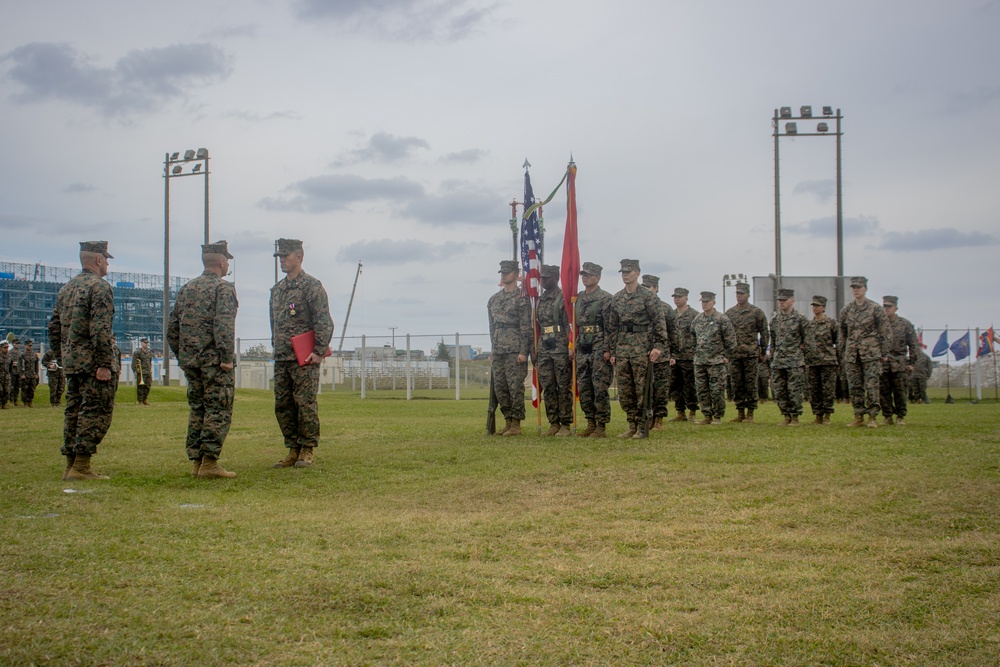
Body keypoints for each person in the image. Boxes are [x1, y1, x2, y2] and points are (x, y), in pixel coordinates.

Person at [168, 241, 240, 478]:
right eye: (227, 260)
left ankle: (197, 462)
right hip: (214, 363)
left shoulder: (187, 288)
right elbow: (223, 326)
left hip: (192, 363)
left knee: (197, 409)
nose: (227, 264)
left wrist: (184, 356)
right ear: (221, 262)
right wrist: (226, 357)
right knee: (217, 409)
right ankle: (209, 463)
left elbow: (172, 329)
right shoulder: (223, 289)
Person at [47, 241, 117, 480]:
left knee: (73, 411)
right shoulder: (99, 287)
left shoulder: (66, 289)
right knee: (95, 412)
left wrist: (63, 356)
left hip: (73, 363)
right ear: (98, 260)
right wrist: (105, 363)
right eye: (106, 258)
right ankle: (82, 466)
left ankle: (70, 464)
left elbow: (54, 328)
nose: (107, 263)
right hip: (93, 364)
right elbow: (100, 330)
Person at [270, 238, 335, 467]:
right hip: (282, 357)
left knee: (304, 403)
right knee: (283, 405)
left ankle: (307, 449)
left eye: (286, 256)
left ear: (299, 257)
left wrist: (318, 352)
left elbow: (324, 321)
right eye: (280, 257)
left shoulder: (311, 286)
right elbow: (274, 323)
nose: (282, 261)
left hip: (304, 358)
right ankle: (292, 449)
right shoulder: (277, 290)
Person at [606, 259, 668, 438]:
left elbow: (659, 323)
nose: (625, 274)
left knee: (642, 388)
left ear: (637, 273)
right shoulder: (617, 298)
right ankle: (631, 424)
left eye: (628, 271)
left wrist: (658, 346)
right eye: (623, 272)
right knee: (625, 390)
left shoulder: (648, 297)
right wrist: (613, 350)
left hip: (641, 348)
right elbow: (612, 327)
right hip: (623, 348)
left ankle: (643, 425)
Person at [839, 276, 892, 428]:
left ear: (865, 289)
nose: (856, 290)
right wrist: (843, 352)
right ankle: (858, 416)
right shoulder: (847, 310)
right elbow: (842, 333)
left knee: (872, 385)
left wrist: (884, 353)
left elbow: (886, 332)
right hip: (852, 355)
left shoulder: (875, 309)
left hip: (871, 354)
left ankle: (872, 417)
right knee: (855, 386)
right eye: (854, 287)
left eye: (859, 287)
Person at [487, 259, 532, 436]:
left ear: (516, 274)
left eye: (507, 272)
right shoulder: (494, 300)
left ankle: (516, 424)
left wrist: (523, 351)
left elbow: (525, 327)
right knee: (501, 387)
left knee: (515, 387)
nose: (504, 274)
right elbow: (492, 326)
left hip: (515, 350)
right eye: (502, 272)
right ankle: (507, 421)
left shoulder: (522, 298)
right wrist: (492, 347)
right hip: (498, 350)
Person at [575, 262, 613, 438]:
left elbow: (610, 326)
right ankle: (590, 421)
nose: (585, 278)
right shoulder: (578, 298)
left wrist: (607, 349)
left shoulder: (605, 298)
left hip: (598, 344)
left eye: (589, 275)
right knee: (584, 386)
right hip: (582, 344)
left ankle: (601, 425)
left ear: (597, 277)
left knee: (599, 385)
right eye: (583, 275)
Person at [535, 265, 574, 436]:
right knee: (548, 386)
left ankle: (565, 423)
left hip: (560, 347)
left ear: (555, 277)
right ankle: (553, 422)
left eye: (546, 277)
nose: (542, 280)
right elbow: (537, 326)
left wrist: (570, 346)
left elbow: (569, 324)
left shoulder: (563, 297)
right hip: (544, 347)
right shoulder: (539, 300)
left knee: (563, 385)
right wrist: (534, 348)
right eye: (541, 277)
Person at [724, 282, 769, 423]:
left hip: (751, 354)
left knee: (751, 384)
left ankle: (750, 413)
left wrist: (762, 350)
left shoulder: (756, 312)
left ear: (748, 295)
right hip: (735, 355)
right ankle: (740, 412)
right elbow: (725, 334)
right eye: (737, 293)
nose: (739, 296)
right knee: (737, 384)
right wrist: (726, 352)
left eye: (742, 293)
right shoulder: (730, 313)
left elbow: (764, 332)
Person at [691, 291, 736, 425]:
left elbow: (731, 340)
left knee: (717, 390)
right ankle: (706, 415)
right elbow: (692, 338)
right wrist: (695, 353)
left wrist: (726, 356)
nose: (704, 304)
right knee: (702, 390)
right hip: (700, 361)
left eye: (707, 302)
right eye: (703, 302)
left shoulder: (721, 319)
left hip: (716, 361)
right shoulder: (697, 319)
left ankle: (717, 416)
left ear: (713, 302)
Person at [641, 274, 677, 430]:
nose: (646, 290)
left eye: (649, 287)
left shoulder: (666, 308)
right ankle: (647, 418)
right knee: (645, 389)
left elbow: (674, 332)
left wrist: (673, 354)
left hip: (662, 356)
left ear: (655, 288)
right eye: (644, 287)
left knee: (660, 389)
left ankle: (659, 419)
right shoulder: (640, 306)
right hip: (643, 354)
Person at [769, 288, 808, 426]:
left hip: (795, 360)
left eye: (784, 300)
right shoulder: (775, 320)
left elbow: (807, 341)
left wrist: (806, 360)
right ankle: (786, 415)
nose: (781, 303)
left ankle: (795, 417)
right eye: (779, 300)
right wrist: (772, 357)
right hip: (778, 361)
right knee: (779, 390)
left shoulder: (800, 319)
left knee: (794, 390)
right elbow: (773, 341)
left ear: (792, 301)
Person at [879, 295, 920, 426]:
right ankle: (887, 416)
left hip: (899, 362)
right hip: (883, 362)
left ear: (896, 308)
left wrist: (912, 363)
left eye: (889, 306)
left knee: (900, 391)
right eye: (884, 306)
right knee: (883, 392)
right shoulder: (879, 324)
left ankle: (900, 416)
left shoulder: (905, 324)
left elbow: (913, 344)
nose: (887, 309)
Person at [804, 295, 839, 424]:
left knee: (828, 389)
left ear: (824, 307)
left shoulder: (832, 323)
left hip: (828, 361)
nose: (815, 308)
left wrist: (838, 360)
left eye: (818, 305)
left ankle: (827, 415)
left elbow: (838, 342)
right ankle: (818, 415)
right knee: (814, 390)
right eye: (813, 305)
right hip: (813, 362)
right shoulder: (809, 325)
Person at [670, 287, 699, 421]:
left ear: (686, 298)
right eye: (675, 297)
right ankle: (680, 412)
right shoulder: (671, 314)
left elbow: (698, 336)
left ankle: (692, 411)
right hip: (675, 357)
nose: (677, 299)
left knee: (690, 385)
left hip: (689, 356)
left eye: (679, 297)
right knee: (676, 385)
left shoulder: (694, 315)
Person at [18, 339, 40, 408]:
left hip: (32, 375)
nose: (30, 347)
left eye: (31, 346)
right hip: (25, 375)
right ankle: (25, 402)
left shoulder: (34, 355)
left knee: (32, 389)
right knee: (25, 389)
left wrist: (36, 373)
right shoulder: (22, 355)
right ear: (25, 346)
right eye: (28, 346)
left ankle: (30, 402)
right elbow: (20, 365)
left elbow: (36, 365)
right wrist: (21, 374)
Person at [132, 337, 153, 405]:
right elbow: (134, 363)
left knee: (148, 386)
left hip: (148, 372)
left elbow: (150, 362)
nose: (146, 344)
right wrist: (135, 371)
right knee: (140, 386)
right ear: (141, 343)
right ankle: (140, 400)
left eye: (147, 343)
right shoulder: (137, 352)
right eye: (145, 343)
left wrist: (150, 370)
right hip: (141, 372)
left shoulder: (149, 352)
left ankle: (145, 399)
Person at [9, 338, 21, 406]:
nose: (18, 345)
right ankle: (11, 400)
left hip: (18, 371)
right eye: (16, 343)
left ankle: (16, 400)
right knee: (12, 387)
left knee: (17, 387)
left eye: (18, 343)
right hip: (12, 372)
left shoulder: (19, 352)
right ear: (13, 344)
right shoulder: (10, 352)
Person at [0, 340, 10, 409]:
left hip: (6, 377)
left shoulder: (9, 357)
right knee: (0, 390)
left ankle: (4, 404)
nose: (6, 349)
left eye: (7, 347)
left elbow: (11, 367)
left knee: (6, 391)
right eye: (5, 348)